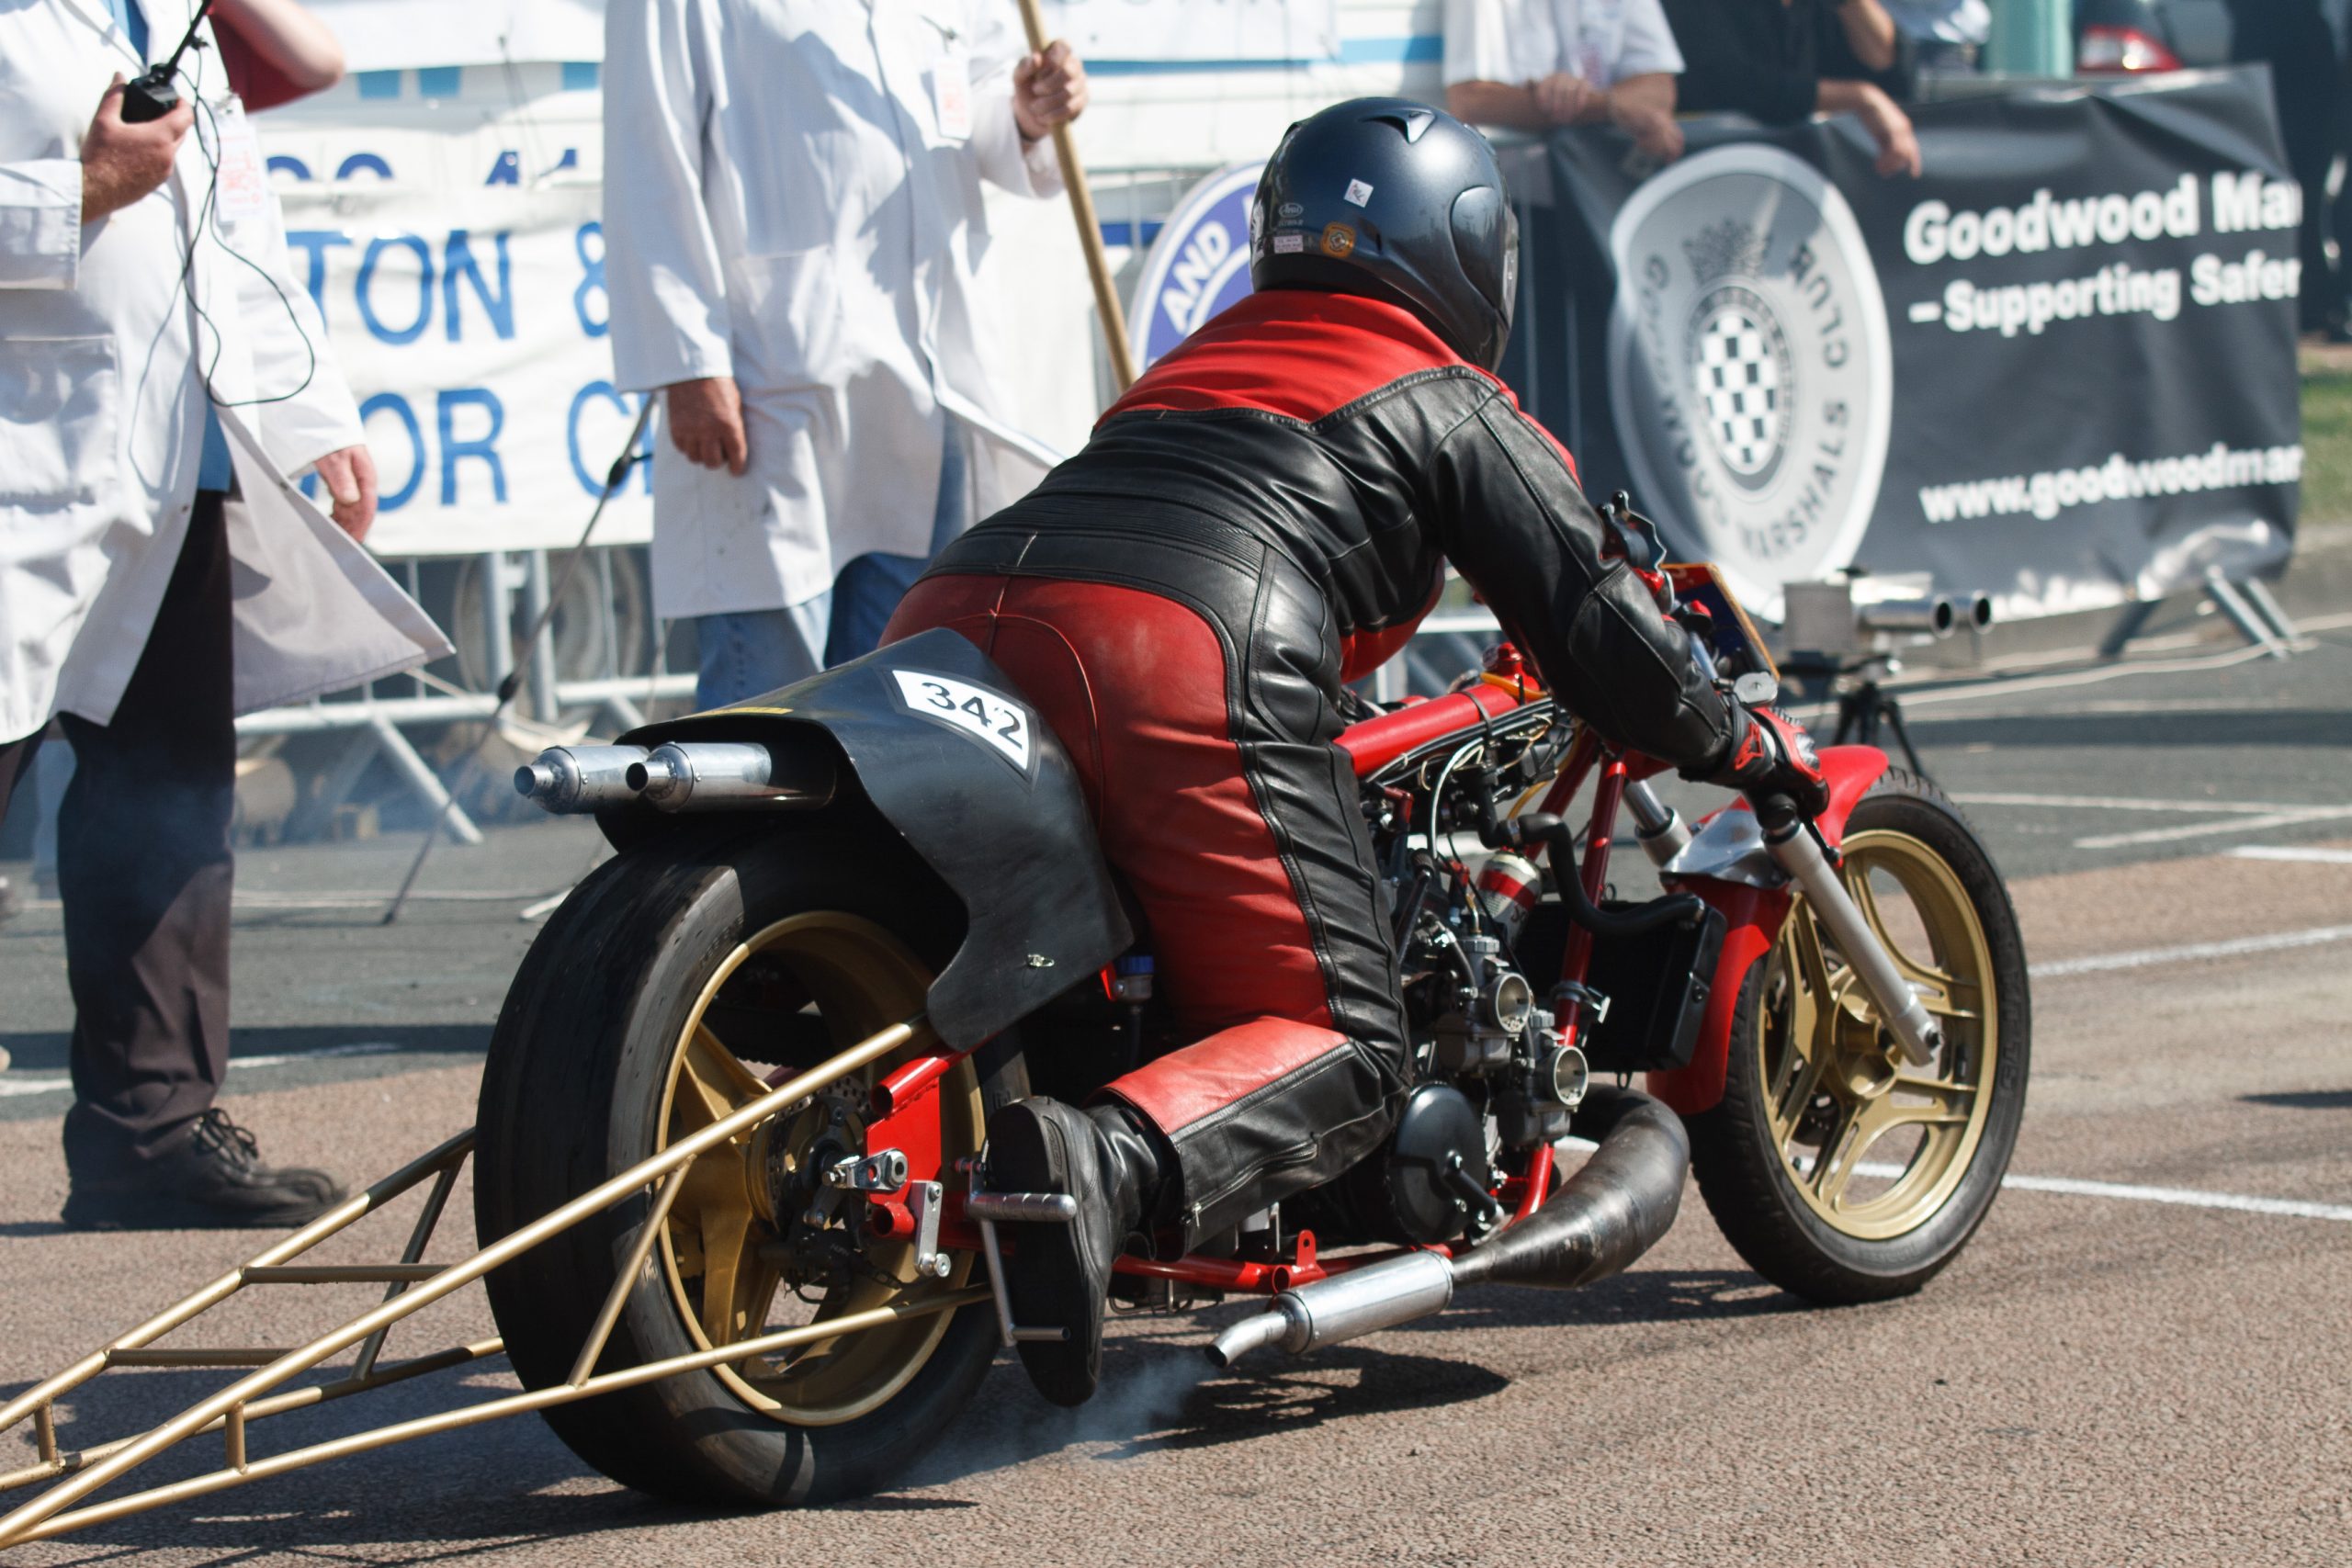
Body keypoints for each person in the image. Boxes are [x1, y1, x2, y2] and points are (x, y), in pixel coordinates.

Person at [882, 99, 1831, 1407]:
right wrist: (1735, 734)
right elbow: (1597, 618)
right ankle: (1099, 1165)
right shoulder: (1444, 389)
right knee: (1344, 1045)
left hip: (964, 609)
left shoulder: (1204, 357)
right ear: (1461, 248)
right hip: (1179, 640)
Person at [0, 0, 447, 1227]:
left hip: (164, 465)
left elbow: (233, 220)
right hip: (15, 466)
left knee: (172, 797)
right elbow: (110, 188)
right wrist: (73, 189)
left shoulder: (157, 8)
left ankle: (148, 1131)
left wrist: (314, 408)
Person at [602, 0, 1092, 712]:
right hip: (772, 384)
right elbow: (649, 152)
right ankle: (758, 832)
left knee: (901, 709)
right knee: (767, 707)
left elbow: (980, 109)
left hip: (926, 394)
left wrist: (1026, 111)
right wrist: (687, 361)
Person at [1663, 0, 1923, 177]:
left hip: (1786, 196)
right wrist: (1860, 97)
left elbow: (1892, 71)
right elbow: (1729, 83)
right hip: (1697, 181)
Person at [1443, 0, 1689, 164]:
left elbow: (1660, 85)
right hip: (1513, 205)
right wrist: (1608, 106)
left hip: (1596, 188)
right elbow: (1471, 100)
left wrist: (1593, 101)